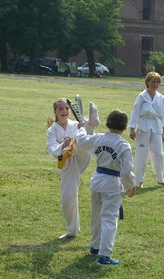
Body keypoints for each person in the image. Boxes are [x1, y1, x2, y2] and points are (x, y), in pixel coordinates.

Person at [75, 109, 136, 266]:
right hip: (112, 183)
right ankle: (104, 255)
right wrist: (130, 186)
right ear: (124, 126)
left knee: (96, 216)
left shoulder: (99, 138)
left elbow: (81, 139)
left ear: (108, 123)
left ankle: (95, 247)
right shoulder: (123, 145)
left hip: (97, 180)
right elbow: (127, 170)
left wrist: (81, 127)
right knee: (109, 218)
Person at [47, 97, 100, 239]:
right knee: (68, 198)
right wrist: (62, 147)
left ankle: (92, 124)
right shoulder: (52, 130)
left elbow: (84, 138)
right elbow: (51, 147)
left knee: (83, 132)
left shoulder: (75, 124)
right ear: (55, 112)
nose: (64, 111)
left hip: (81, 155)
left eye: (66, 108)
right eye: (60, 108)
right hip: (67, 164)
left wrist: (84, 127)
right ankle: (72, 230)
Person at [129, 71, 164, 189]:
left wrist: (163, 132)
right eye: (153, 82)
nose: (155, 84)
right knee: (141, 153)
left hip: (156, 127)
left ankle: (160, 179)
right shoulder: (142, 96)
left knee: (158, 153)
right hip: (143, 126)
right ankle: (138, 180)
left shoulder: (161, 98)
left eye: (157, 82)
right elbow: (135, 112)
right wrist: (132, 128)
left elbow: (163, 116)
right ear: (147, 82)